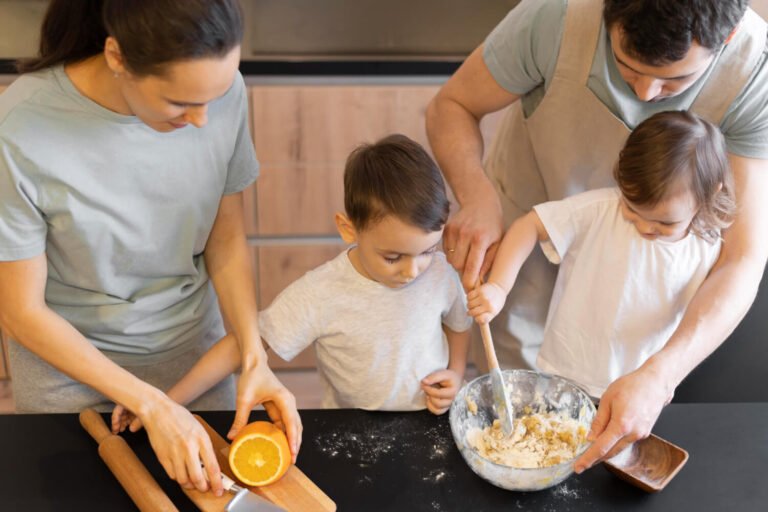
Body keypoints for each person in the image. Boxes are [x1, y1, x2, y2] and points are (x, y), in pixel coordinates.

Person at [426, 0, 768, 472]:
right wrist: (475, 195)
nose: (647, 94)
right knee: (518, 410)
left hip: (630, 327)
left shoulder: (755, 69)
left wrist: (660, 376)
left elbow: (742, 259)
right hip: (526, 226)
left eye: (674, 82)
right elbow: (453, 104)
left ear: (724, 42)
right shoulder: (553, 17)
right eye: (625, 66)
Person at [0, 0, 300, 497]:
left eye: (218, 95)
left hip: (192, 360)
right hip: (69, 377)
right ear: (117, 57)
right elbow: (20, 311)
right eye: (179, 103)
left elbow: (223, 237)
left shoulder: (221, 96)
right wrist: (150, 404)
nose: (204, 119)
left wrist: (251, 355)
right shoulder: (20, 128)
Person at [113, 134, 472, 425]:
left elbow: (458, 322)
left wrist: (455, 373)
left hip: (432, 420)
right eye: (393, 257)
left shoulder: (439, 272)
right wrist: (165, 402)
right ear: (349, 229)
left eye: (427, 251)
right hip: (350, 426)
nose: (412, 271)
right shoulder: (321, 293)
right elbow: (244, 344)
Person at [469, 110, 734, 402]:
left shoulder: (707, 245)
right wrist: (498, 287)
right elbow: (528, 225)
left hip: (637, 388)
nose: (646, 227)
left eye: (666, 223)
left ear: (710, 193)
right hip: (567, 375)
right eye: (632, 209)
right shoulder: (597, 211)